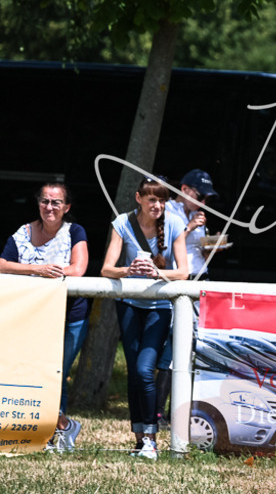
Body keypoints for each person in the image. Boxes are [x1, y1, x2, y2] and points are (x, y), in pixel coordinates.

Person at [101, 178, 188, 460]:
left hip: (159, 308)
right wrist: (129, 269)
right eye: (152, 200)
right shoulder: (122, 223)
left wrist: (155, 273)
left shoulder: (175, 223)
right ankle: (139, 439)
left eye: (162, 200)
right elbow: (106, 269)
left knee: (144, 369)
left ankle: (151, 439)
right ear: (138, 198)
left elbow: (183, 272)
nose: (158, 206)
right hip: (128, 305)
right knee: (133, 374)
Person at [0, 182, 89, 451]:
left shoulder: (75, 231)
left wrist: (47, 271)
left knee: (57, 373)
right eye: (45, 201)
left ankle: (54, 431)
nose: (49, 207)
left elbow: (78, 269)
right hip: (33, 317)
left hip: (70, 314)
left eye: (56, 202)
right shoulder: (23, 232)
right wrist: (37, 269)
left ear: (67, 207)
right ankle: (59, 426)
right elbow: (3, 264)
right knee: (33, 373)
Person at [154, 169, 223, 428]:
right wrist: (189, 227)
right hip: (178, 281)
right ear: (184, 190)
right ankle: (159, 413)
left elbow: (201, 253)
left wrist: (212, 246)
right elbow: (164, 245)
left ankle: (182, 411)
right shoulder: (168, 211)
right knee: (173, 345)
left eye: (207, 199)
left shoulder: (199, 216)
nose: (204, 203)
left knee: (195, 346)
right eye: (201, 196)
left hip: (200, 280)